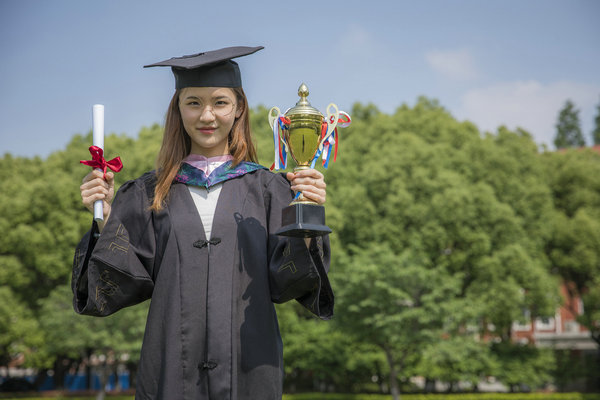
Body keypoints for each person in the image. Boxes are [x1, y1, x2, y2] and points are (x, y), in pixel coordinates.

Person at [72, 46, 333, 400]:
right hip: (170, 371)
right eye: (193, 102)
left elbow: (289, 283)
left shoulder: (271, 190)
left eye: (220, 102)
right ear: (177, 110)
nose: (207, 115)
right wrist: (103, 215)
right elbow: (112, 286)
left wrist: (307, 214)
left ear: (239, 107)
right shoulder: (147, 193)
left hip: (250, 369)